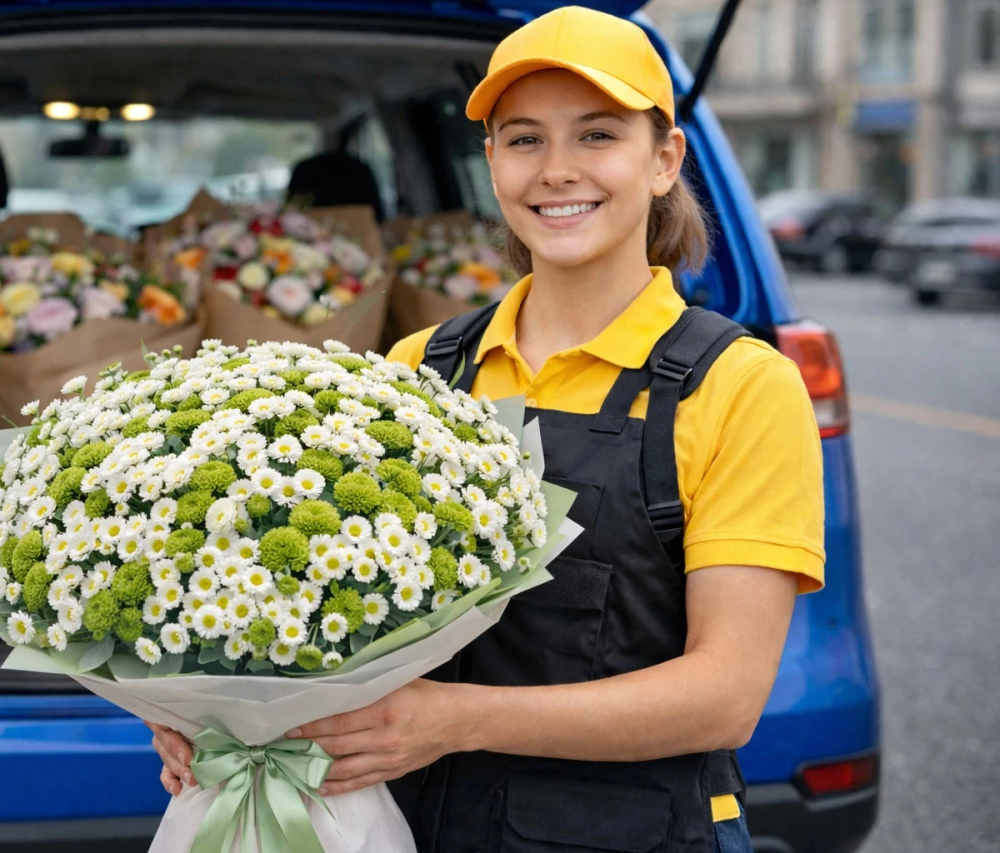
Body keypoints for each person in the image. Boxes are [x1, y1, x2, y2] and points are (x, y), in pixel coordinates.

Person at [149, 7, 824, 851]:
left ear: (664, 160)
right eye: (525, 139)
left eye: (597, 135)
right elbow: (316, 606)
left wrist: (453, 719)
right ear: (493, 163)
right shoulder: (419, 366)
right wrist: (214, 717)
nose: (557, 171)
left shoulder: (739, 386)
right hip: (407, 825)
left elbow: (725, 693)